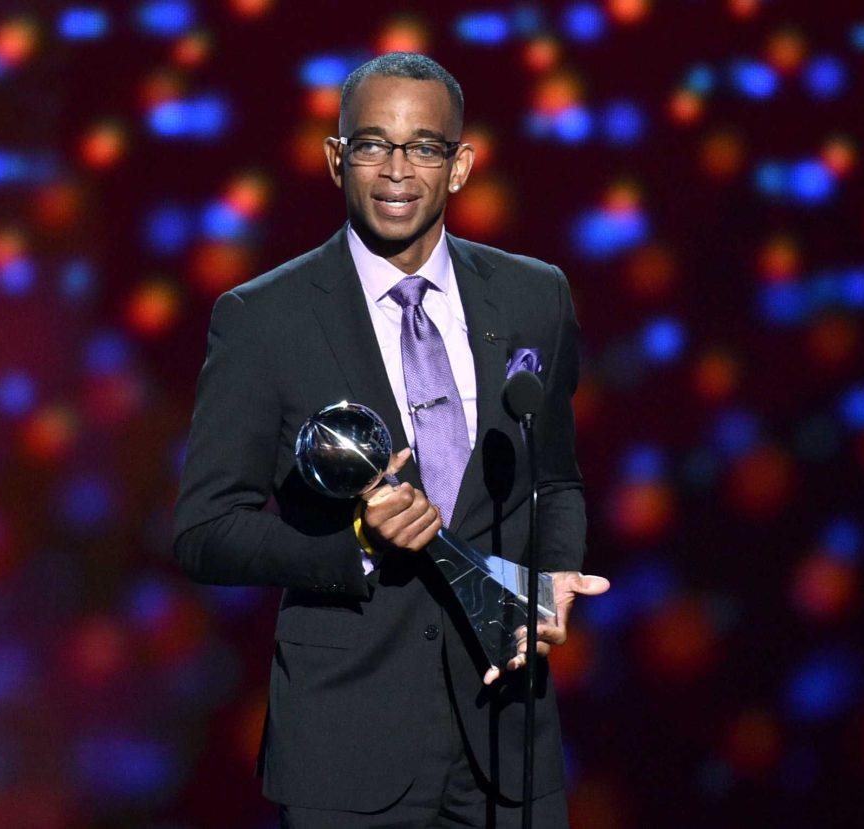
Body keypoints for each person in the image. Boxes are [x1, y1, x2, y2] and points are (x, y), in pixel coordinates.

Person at [172, 52, 609, 828]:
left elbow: (555, 479)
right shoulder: (263, 318)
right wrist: (359, 547)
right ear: (336, 158)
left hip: (507, 735)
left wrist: (554, 575)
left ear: (461, 165)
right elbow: (205, 531)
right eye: (372, 144)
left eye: (424, 147)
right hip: (348, 742)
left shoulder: (534, 296)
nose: (396, 170)